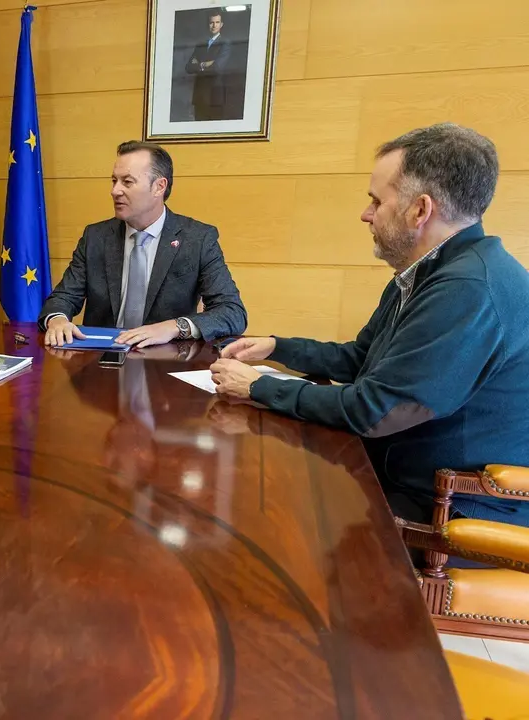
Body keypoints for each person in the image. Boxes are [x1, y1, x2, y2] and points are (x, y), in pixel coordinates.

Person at [211, 123, 529, 527]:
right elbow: (363, 359)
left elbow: (376, 410)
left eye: (376, 201)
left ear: (420, 210)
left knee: (265, 514)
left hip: (447, 510)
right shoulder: (431, 271)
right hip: (401, 479)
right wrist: (276, 347)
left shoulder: (467, 288)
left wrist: (257, 385)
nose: (365, 215)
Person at [39, 141, 246, 348]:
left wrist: (175, 326)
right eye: (114, 181)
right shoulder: (96, 236)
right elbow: (63, 297)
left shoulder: (197, 239)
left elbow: (232, 312)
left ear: (159, 187)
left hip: (164, 361)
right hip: (99, 358)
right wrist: (58, 319)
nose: (115, 191)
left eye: (127, 182)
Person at [184, 9, 231, 121]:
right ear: (208, 24)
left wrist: (199, 64)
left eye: (217, 22)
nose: (214, 25)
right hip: (199, 97)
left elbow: (217, 67)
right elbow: (189, 67)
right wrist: (206, 64)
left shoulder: (225, 43)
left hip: (215, 98)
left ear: (221, 24)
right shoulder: (201, 45)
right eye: (211, 22)